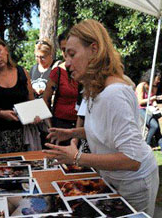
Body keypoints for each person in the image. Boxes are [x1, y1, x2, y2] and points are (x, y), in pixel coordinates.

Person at [43, 19, 159, 217]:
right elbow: (104, 130)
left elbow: (132, 159)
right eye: (65, 55)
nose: (67, 63)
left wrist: (77, 157)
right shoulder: (95, 86)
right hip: (115, 178)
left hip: (134, 183)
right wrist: (72, 132)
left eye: (72, 54)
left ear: (94, 49)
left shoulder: (114, 93)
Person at [0, 36, 35, 155]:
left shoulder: (22, 72)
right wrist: (0, 113)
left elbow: (31, 103)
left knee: (22, 172)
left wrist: (34, 117)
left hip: (21, 135)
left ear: (6, 50)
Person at [43, 32, 78, 146]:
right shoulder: (57, 72)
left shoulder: (86, 72)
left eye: (71, 50)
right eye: (64, 50)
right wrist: (50, 126)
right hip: (61, 124)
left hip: (81, 125)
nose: (67, 54)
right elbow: (46, 100)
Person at [136, 69, 162, 148]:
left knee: (158, 133)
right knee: (154, 125)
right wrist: (154, 98)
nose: (158, 81)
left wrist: (156, 107)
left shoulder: (155, 87)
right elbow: (140, 102)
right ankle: (146, 145)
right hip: (140, 108)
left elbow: (153, 101)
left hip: (150, 109)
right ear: (152, 77)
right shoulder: (142, 85)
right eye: (157, 78)